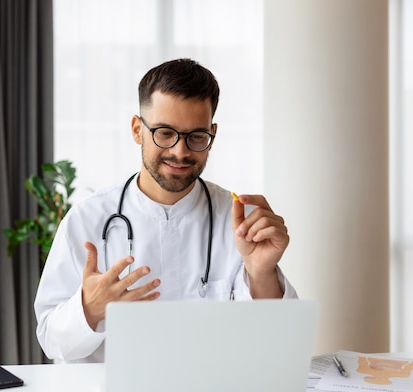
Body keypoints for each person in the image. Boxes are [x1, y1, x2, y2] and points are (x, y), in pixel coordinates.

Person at [34, 58, 298, 363]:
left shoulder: (240, 221)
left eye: (196, 136)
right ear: (137, 130)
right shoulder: (86, 221)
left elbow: (275, 344)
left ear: (212, 135)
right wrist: (89, 309)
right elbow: (51, 342)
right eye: (164, 132)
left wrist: (261, 271)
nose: (180, 151)